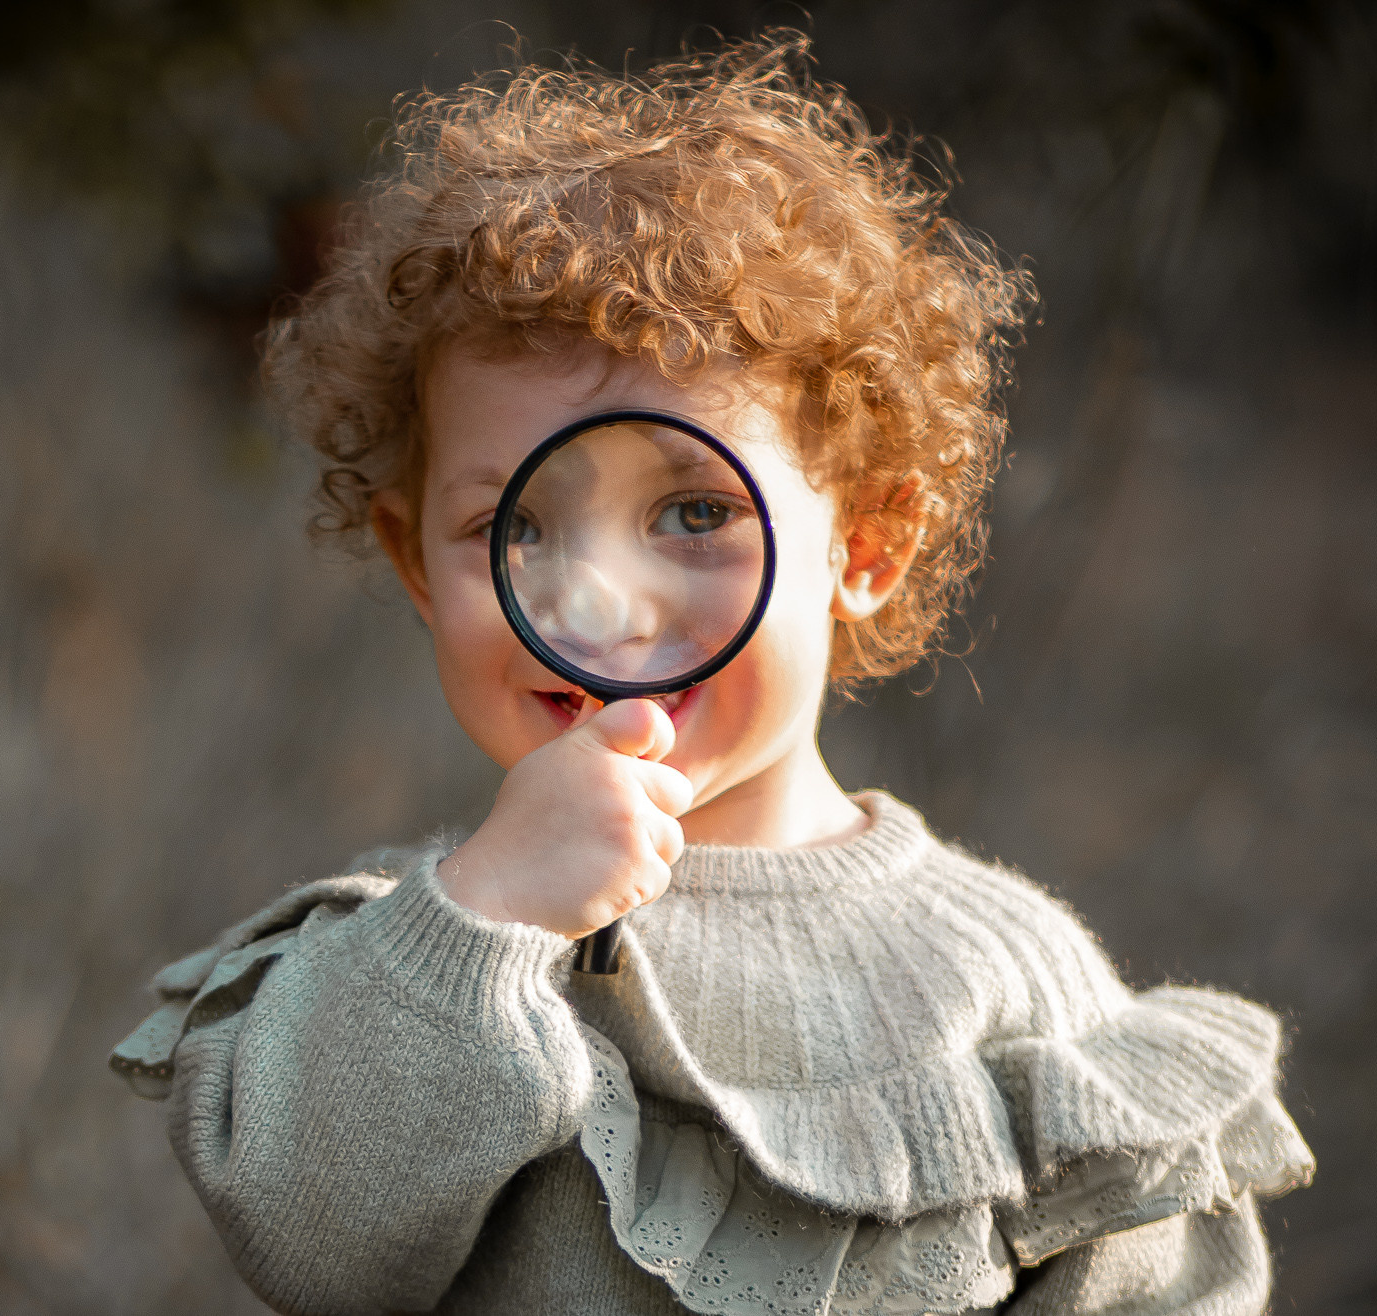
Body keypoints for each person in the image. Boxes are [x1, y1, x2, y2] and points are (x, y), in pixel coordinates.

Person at [110, 34, 1313, 1315]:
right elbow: (310, 1243)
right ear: (417, 564)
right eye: (514, 526)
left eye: (693, 513)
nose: (601, 604)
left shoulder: (1008, 976)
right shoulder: (396, 951)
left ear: (863, 544)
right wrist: (485, 915)